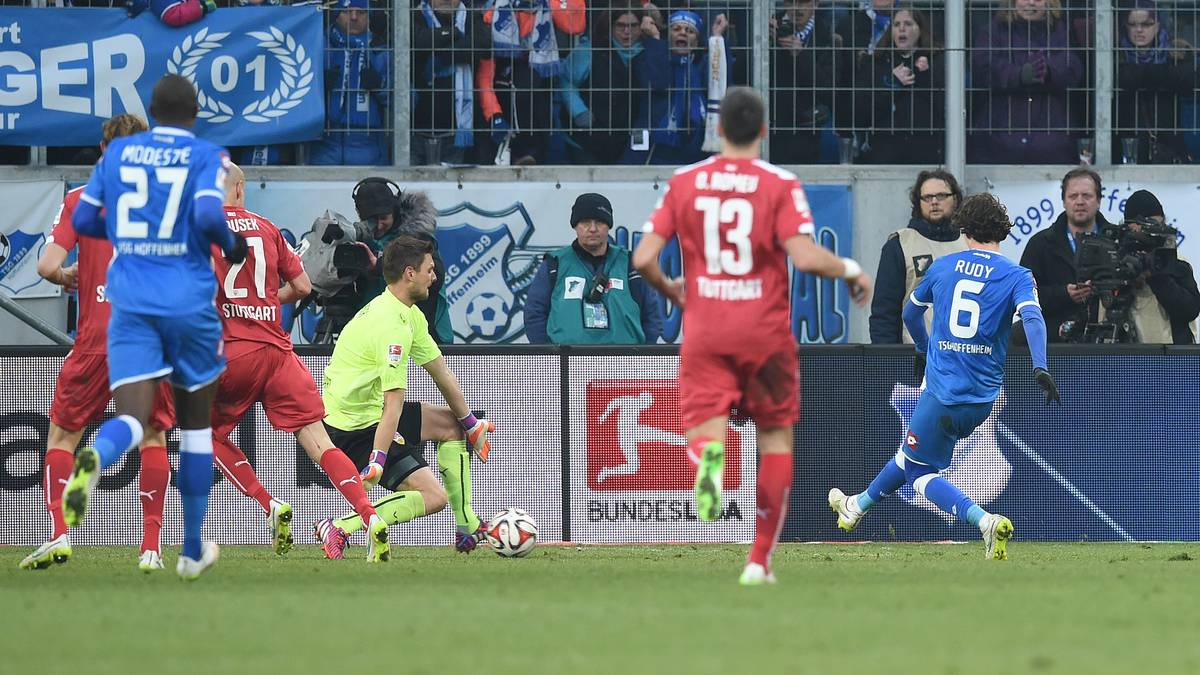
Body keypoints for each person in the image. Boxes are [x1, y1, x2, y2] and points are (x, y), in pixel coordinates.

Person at [633, 86, 874, 585]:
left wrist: (672, 291)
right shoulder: (778, 183)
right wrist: (850, 268)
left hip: (706, 328)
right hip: (764, 331)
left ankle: (710, 462)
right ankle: (758, 561)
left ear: (718, 129)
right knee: (774, 437)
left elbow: (641, 259)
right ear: (763, 131)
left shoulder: (685, 182)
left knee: (707, 422)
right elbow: (806, 257)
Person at [64, 74, 248, 581]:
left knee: (133, 416)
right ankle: (189, 551)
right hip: (188, 303)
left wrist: (128, 232)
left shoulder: (118, 155)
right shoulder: (207, 154)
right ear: (194, 113)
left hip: (131, 304)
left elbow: (83, 222)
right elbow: (211, 216)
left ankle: (96, 457)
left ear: (152, 109)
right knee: (193, 426)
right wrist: (232, 248)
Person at [828, 193, 1062, 560]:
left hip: (942, 391)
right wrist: (1040, 365)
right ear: (1001, 231)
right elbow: (1032, 318)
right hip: (983, 399)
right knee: (909, 455)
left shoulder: (943, 267)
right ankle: (855, 506)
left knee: (918, 473)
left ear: (964, 229)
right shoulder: (1018, 275)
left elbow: (908, 315)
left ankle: (985, 522)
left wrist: (924, 348)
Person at [207, 163, 389, 562]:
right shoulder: (268, 228)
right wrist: (266, 302)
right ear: (240, 188)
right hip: (278, 353)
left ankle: (269, 505)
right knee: (319, 442)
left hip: (232, 351)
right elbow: (304, 286)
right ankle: (370, 516)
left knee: (207, 436)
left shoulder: (200, 229)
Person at [20, 114, 178, 574]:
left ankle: (59, 534)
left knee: (64, 435)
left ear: (105, 150)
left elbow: (46, 265)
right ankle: (150, 547)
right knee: (153, 435)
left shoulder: (80, 200)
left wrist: (70, 274)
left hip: (95, 339)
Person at [312, 236, 497, 559]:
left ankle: (467, 525)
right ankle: (340, 526)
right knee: (433, 497)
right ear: (410, 273)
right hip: (352, 428)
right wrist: (378, 460)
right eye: (429, 269)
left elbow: (442, 373)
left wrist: (471, 425)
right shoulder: (391, 327)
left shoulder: (407, 314)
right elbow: (394, 405)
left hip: (370, 413)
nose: (434, 275)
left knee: (450, 427)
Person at [525, 193, 663, 344]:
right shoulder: (554, 264)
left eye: (599, 222)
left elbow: (652, 316)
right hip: (568, 362)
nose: (592, 228)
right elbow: (534, 314)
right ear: (575, 226)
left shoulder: (631, 265)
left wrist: (643, 355)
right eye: (585, 222)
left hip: (624, 363)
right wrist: (549, 356)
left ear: (609, 226)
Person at [969, 0, 1084, 164]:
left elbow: (1074, 66)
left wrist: (1048, 71)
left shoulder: (1062, 30)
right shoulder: (992, 31)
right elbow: (982, 68)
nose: (1030, 2)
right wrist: (1018, 75)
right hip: (999, 137)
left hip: (1053, 140)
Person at [870, 169, 966, 343]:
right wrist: (885, 361)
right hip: (917, 356)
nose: (934, 202)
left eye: (941, 196)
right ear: (918, 202)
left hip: (967, 357)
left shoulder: (971, 242)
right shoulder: (900, 245)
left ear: (956, 199)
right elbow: (884, 313)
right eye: (927, 197)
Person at [623, 10, 731, 165]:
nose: (683, 33)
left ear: (696, 41)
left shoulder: (702, 67)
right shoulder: (650, 58)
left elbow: (721, 83)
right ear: (669, 36)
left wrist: (717, 38)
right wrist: (655, 40)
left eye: (690, 31)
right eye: (676, 29)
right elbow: (657, 82)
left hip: (698, 148)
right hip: (657, 148)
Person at [1018, 167, 1112, 341]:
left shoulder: (1115, 242)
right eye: (1073, 196)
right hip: (1054, 338)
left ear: (1098, 201)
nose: (1080, 201)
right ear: (1063, 201)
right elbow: (1023, 296)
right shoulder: (1040, 244)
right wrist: (1063, 294)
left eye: (1087, 195)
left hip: (1106, 338)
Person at [570, 5, 668, 164]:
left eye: (633, 26)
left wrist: (655, 38)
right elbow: (567, 81)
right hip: (587, 139)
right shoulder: (589, 50)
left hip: (633, 140)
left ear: (642, 27)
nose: (627, 32)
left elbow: (659, 83)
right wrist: (579, 111)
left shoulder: (650, 51)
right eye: (620, 26)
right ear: (610, 26)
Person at [1106, 189, 1200, 343]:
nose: (1155, 232)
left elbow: (1190, 309)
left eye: (1158, 224)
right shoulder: (1116, 261)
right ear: (1130, 226)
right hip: (1127, 353)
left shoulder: (1177, 262)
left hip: (1169, 354)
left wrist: (1156, 274)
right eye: (1147, 225)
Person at [852, 8, 944, 164]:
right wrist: (892, 84)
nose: (901, 28)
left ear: (920, 30)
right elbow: (861, 114)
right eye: (896, 24)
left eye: (908, 23)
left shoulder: (938, 60)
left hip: (927, 152)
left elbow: (946, 109)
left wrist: (927, 77)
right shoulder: (874, 63)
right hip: (885, 153)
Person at [411, 0, 492, 165]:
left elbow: (482, 44)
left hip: (459, 133)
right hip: (416, 129)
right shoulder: (414, 16)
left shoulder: (472, 18)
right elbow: (418, 40)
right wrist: (453, 33)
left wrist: (441, 55)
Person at [1114, 1, 1196, 164]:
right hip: (1126, 146)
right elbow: (1124, 79)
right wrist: (1164, 76)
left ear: (1157, 26)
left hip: (1168, 145)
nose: (1139, 30)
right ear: (1126, 27)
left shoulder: (1176, 52)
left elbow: (1189, 79)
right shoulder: (1115, 55)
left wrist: (1141, 75)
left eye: (1146, 24)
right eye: (1133, 24)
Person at [311, 0, 391, 165]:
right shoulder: (317, 47)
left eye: (361, 12)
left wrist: (380, 86)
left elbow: (410, 102)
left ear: (369, 16)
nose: (354, 17)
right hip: (321, 145)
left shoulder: (382, 52)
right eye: (347, 11)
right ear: (336, 14)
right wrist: (316, 86)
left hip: (368, 149)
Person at [769, 0, 840, 165]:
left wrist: (801, 55)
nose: (797, 8)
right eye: (792, 2)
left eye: (803, 2)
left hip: (809, 127)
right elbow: (743, 73)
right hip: (773, 124)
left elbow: (829, 88)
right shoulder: (767, 27)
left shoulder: (829, 34)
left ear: (816, 4)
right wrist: (763, 43)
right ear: (785, 4)